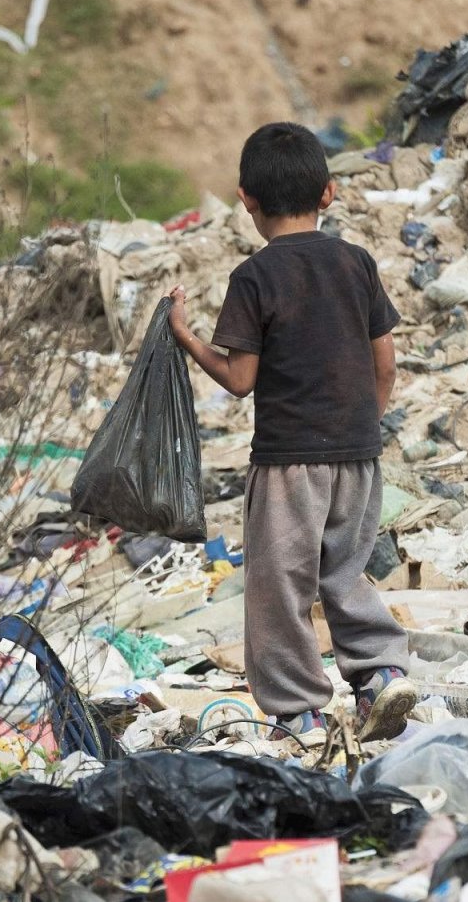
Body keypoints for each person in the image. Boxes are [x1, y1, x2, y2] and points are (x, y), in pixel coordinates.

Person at [168, 121, 416, 741]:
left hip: (287, 461)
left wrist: (187, 338)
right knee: (345, 570)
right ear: (328, 193)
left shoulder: (254, 278)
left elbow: (240, 379)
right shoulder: (357, 263)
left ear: (247, 199)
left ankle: (298, 707)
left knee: (281, 585)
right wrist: (366, 423)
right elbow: (385, 362)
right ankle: (383, 675)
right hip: (359, 454)